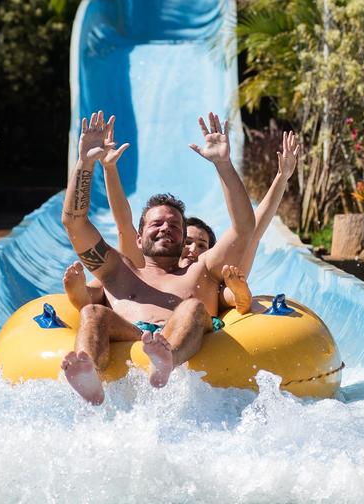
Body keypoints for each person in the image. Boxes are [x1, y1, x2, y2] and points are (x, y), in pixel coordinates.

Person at [58, 111, 255, 405]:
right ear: (139, 239)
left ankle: (167, 359)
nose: (166, 228)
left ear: (183, 238)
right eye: (156, 224)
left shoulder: (200, 271)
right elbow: (74, 222)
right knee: (93, 314)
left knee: (192, 307)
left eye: (175, 226)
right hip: (131, 335)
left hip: (180, 346)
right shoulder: (117, 270)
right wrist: (85, 162)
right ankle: (90, 375)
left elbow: (244, 228)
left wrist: (224, 165)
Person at [68, 128, 301, 315]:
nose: (193, 249)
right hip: (130, 336)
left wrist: (279, 178)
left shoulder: (207, 275)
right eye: (189, 241)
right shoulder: (131, 270)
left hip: (189, 334)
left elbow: (250, 231)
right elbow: (122, 227)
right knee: (94, 315)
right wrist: (103, 167)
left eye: (202, 246)